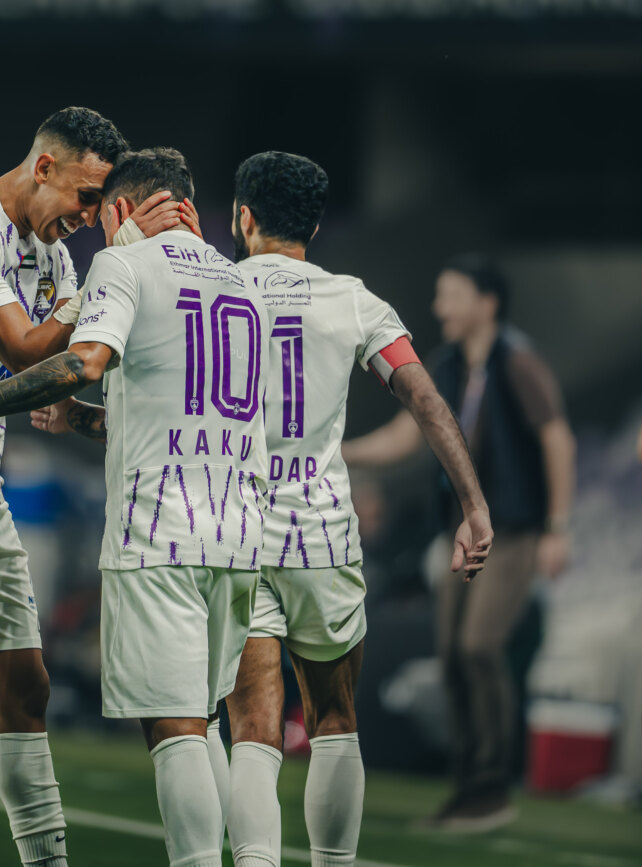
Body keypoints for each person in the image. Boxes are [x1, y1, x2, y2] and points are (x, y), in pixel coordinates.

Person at [0, 147, 263, 867]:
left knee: (176, 726)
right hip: (238, 530)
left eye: (102, 207)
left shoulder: (120, 267)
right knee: (207, 721)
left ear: (124, 211)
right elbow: (157, 404)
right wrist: (84, 416)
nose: (90, 221)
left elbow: (73, 358)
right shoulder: (240, 282)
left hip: (161, 529)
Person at [223, 151, 493, 867]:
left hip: (234, 535)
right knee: (334, 719)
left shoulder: (210, 292)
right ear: (314, 222)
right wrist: (472, 504)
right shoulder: (352, 299)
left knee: (252, 721)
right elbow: (426, 399)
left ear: (242, 216)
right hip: (321, 536)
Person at [344, 253, 575, 829]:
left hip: (515, 531)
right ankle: (470, 783)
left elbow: (558, 440)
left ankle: (493, 783)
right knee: (451, 656)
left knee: (478, 648)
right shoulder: (448, 366)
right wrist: (334, 451)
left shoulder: (517, 363)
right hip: (462, 532)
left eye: (451, 295)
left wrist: (558, 528)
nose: (439, 307)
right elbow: (406, 434)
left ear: (486, 303)